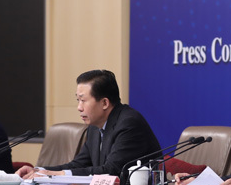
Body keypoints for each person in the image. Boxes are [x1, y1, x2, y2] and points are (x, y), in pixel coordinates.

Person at [16, 70, 160, 178]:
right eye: (77, 100)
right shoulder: (94, 127)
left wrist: (57, 174)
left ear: (104, 103)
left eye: (83, 100)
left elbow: (111, 171)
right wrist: (40, 171)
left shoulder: (129, 123)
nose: (79, 107)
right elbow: (79, 164)